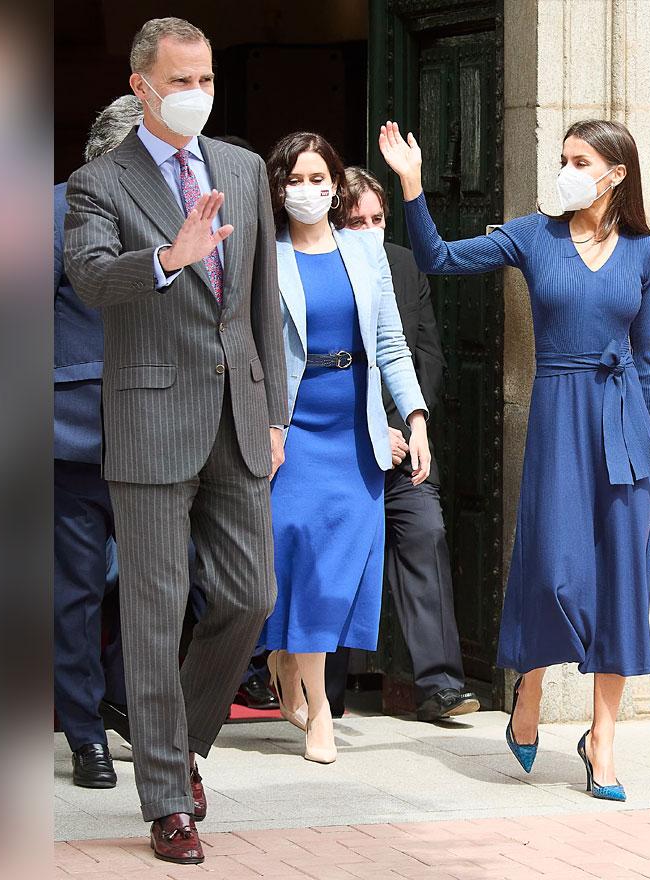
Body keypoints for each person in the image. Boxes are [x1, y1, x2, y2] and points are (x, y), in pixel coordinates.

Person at [378, 118, 650, 801]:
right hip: (558, 415)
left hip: (625, 424)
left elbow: (647, 357)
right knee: (551, 570)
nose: (567, 169)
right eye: (563, 157)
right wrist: (412, 185)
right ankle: (532, 686)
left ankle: (603, 738)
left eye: (581, 160)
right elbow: (438, 259)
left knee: (622, 583)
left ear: (616, 174)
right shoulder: (533, 234)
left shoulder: (647, 252)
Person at [63, 17, 288, 866]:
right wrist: (166, 255)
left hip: (240, 414)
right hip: (153, 419)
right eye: (181, 81)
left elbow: (263, 296)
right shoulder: (101, 182)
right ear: (141, 88)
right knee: (153, 617)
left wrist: (275, 409)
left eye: (207, 80)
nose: (197, 95)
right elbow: (89, 278)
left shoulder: (240, 169)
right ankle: (167, 800)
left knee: (250, 595)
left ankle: (181, 744)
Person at [258, 132, 430, 765]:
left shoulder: (365, 252)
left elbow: (390, 342)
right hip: (293, 427)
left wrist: (413, 417)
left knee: (338, 566)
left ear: (336, 185)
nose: (310, 190)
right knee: (299, 553)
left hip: (353, 429)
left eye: (321, 179)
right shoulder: (265, 255)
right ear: (279, 189)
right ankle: (322, 708)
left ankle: (290, 662)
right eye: (296, 180)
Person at [322, 167, 480, 723]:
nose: (367, 229)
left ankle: (439, 685)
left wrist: (415, 425)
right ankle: (327, 693)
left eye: (376, 218)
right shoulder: (317, 266)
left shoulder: (405, 264)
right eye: (354, 219)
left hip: (404, 446)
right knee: (342, 559)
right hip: (343, 447)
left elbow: (423, 353)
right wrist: (370, 429)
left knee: (427, 532)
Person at [54, 94, 140, 790]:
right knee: (77, 595)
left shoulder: (179, 213)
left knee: (180, 583)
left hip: (162, 433)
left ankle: (122, 695)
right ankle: (85, 735)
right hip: (75, 434)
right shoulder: (49, 211)